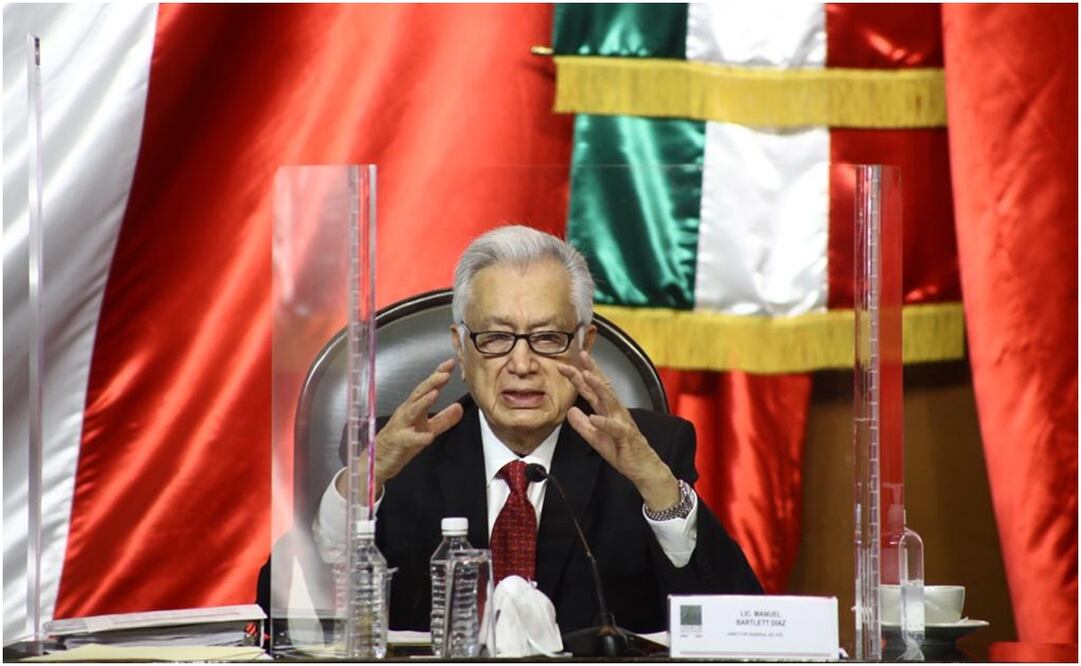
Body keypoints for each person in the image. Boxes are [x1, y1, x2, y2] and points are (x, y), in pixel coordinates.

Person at [312, 225, 761, 634]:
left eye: (547, 338)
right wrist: (361, 485)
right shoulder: (398, 451)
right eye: (495, 338)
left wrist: (658, 487)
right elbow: (289, 615)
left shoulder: (652, 451)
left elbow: (740, 627)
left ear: (584, 345)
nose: (522, 365)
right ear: (461, 349)